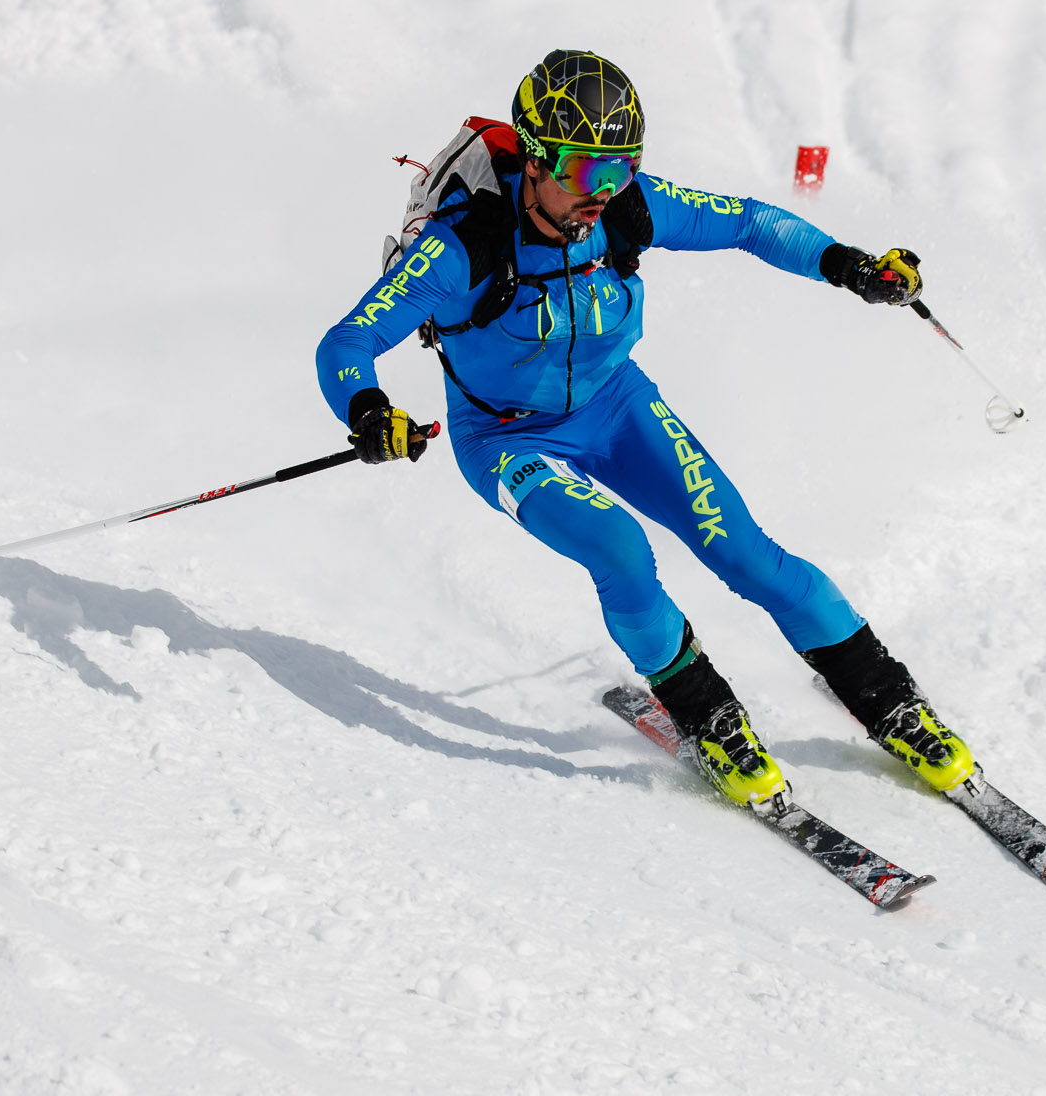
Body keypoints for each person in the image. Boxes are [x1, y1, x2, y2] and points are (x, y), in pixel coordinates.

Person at [314, 50, 973, 809]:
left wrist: (848, 266)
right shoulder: (464, 247)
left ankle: (888, 697)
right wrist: (369, 411)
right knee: (621, 551)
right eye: (585, 172)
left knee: (745, 552)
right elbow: (347, 342)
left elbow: (752, 223)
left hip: (618, 407)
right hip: (507, 441)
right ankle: (706, 714)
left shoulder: (628, 209)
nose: (604, 194)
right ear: (534, 160)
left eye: (621, 170)